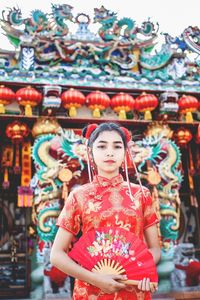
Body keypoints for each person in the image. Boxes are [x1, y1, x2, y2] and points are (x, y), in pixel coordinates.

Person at [50, 122, 161, 299]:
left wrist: (141, 269)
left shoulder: (141, 194)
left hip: (133, 288)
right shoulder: (79, 196)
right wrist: (96, 279)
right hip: (90, 290)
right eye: (102, 146)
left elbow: (155, 249)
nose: (110, 152)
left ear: (125, 152)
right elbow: (56, 255)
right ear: (90, 152)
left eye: (117, 146)